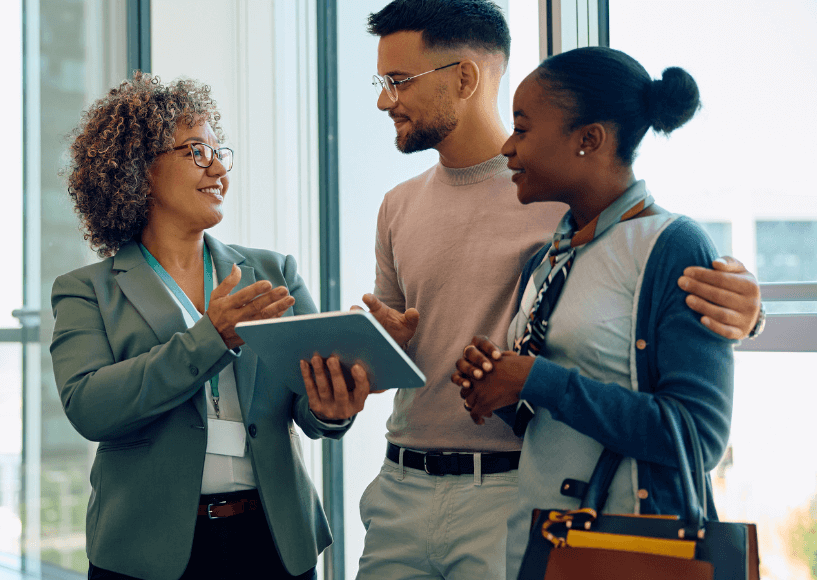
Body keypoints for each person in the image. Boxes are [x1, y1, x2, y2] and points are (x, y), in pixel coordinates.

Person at [343, 1, 764, 579]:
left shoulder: (595, 215)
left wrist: (748, 311)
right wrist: (386, 349)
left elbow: (690, 415)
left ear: (464, 78)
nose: (385, 100)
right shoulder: (541, 240)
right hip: (419, 491)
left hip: (538, 505)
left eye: (399, 82)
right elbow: (541, 376)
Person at [50, 72, 371, 580]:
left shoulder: (275, 271)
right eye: (197, 151)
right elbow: (91, 408)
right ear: (140, 170)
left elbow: (311, 411)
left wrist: (333, 405)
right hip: (146, 554)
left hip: (274, 543)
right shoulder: (87, 290)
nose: (219, 168)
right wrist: (209, 338)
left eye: (221, 153)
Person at [452, 46, 735, 579]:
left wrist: (539, 379)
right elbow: (552, 413)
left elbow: (698, 436)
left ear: (590, 139)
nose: (508, 148)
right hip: (541, 546)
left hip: (632, 548)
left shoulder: (673, 246)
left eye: (523, 128)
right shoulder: (547, 258)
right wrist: (502, 386)